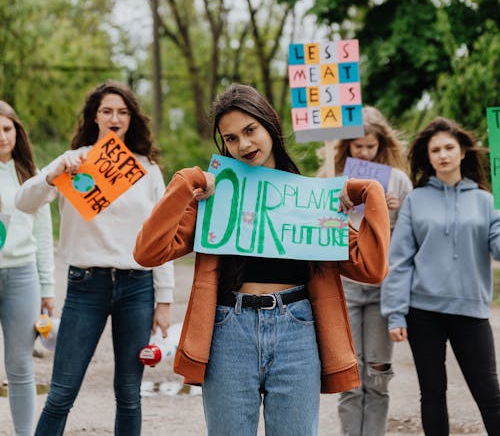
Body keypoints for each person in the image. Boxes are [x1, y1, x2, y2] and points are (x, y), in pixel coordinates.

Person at [134, 83, 390, 436]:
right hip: (228, 330)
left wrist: (367, 191)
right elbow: (148, 251)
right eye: (231, 138)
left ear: (269, 124)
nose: (243, 145)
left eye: (250, 130)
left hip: (296, 330)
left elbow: (372, 267)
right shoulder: (215, 195)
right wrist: (186, 182)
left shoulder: (310, 197)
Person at [15, 81, 174, 436]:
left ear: (132, 118)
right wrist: (54, 176)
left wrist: (164, 299)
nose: (114, 118)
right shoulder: (73, 162)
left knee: (129, 394)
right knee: (61, 392)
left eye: (122, 111)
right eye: (106, 111)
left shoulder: (148, 169)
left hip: (137, 287)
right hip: (86, 285)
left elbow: (160, 237)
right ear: (94, 117)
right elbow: (24, 202)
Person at [381, 116, 500, 436]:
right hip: (424, 313)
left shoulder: (487, 201)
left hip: (471, 311)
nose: (443, 154)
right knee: (432, 394)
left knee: (490, 396)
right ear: (428, 157)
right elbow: (400, 260)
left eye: (449, 147)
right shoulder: (416, 201)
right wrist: (395, 314)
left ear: (463, 152)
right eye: (436, 150)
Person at [328, 106, 412, 436]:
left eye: (370, 147)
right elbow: (320, 233)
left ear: (381, 145)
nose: (364, 152)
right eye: (357, 146)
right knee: (350, 379)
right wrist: (334, 204)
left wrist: (396, 209)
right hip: (346, 291)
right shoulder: (335, 181)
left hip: (384, 295)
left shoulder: (399, 182)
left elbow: (411, 238)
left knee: (377, 375)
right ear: (347, 146)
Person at [0, 101, 55, 436]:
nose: (1, 137)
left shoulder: (30, 177)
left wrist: (47, 289)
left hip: (22, 277)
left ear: (16, 132)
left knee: (20, 365)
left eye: (6, 129)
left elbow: (43, 234)